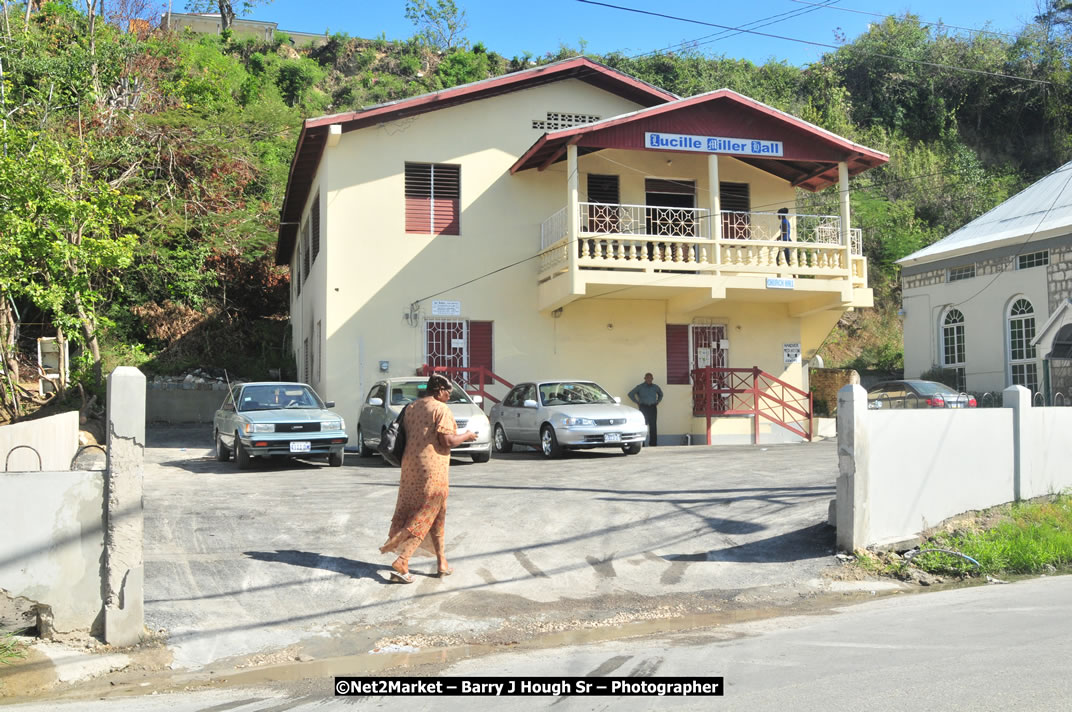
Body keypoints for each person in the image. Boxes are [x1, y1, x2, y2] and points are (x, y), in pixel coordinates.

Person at [380, 374, 477, 583]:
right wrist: (467, 436)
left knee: (437, 512)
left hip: (410, 468)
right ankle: (402, 560)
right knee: (424, 514)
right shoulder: (441, 409)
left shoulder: (411, 408)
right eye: (448, 390)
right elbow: (448, 440)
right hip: (432, 471)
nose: (449, 395)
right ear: (439, 389)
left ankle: (442, 561)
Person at [628, 372, 663, 447]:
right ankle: (642, 444)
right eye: (647, 378)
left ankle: (653, 444)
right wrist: (637, 402)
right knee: (643, 425)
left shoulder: (655, 387)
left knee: (653, 426)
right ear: (644, 378)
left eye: (650, 378)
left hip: (653, 408)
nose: (649, 379)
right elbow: (630, 394)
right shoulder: (640, 387)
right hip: (643, 408)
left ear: (652, 379)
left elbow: (661, 394)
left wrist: (658, 401)